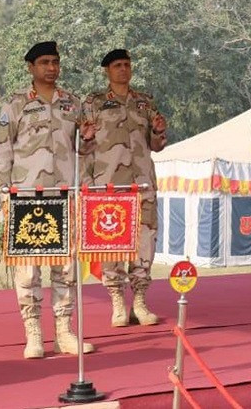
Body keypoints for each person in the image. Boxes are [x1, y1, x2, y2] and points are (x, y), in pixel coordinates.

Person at [0, 41, 95, 359]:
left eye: (55, 62)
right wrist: (3, 193)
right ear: (31, 67)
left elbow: (84, 151)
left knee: (66, 269)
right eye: (44, 62)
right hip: (25, 196)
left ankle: (64, 332)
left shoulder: (73, 103)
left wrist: (89, 140)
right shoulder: (14, 105)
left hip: (65, 196)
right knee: (28, 270)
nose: (51, 67)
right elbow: (3, 151)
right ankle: (33, 333)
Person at [81, 49, 167, 327]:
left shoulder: (144, 102)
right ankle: (117, 302)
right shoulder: (93, 103)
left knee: (145, 243)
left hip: (142, 184)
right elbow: (82, 146)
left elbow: (156, 145)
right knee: (112, 246)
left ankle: (140, 301)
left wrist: (157, 130)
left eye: (127, 65)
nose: (123, 70)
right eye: (117, 65)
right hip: (109, 187)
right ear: (107, 70)